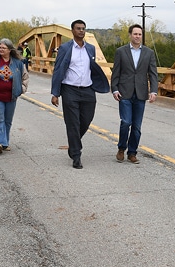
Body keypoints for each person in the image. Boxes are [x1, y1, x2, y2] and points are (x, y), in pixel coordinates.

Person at [50, 20, 110, 169]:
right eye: (78, 29)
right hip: (70, 90)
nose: (81, 31)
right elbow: (58, 70)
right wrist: (55, 93)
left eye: (83, 29)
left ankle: (73, 144)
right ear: (72, 30)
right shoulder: (65, 48)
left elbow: (93, 68)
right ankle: (76, 155)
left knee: (86, 121)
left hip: (88, 90)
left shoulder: (90, 48)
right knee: (73, 124)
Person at [111, 24, 158, 164]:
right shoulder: (121, 51)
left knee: (137, 126)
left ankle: (132, 153)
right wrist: (114, 89)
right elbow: (116, 72)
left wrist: (154, 91)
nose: (137, 36)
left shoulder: (149, 53)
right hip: (124, 92)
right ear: (130, 35)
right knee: (126, 122)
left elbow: (153, 74)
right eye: (135, 34)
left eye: (140, 34)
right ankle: (121, 148)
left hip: (141, 93)